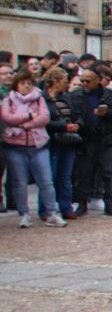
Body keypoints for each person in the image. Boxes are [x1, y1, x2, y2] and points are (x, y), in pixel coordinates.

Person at [2, 68, 66, 227]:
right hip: (15, 146)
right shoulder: (8, 100)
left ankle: (51, 212)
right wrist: (30, 116)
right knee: (19, 182)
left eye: (29, 83)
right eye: (23, 83)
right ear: (16, 85)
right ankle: (24, 214)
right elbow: (8, 118)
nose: (26, 86)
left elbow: (44, 118)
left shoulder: (39, 99)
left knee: (46, 180)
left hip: (38, 144)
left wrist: (26, 124)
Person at [73, 65, 112, 216]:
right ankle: (82, 203)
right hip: (86, 139)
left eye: (88, 81)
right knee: (84, 173)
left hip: (106, 138)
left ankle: (110, 203)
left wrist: (107, 113)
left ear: (98, 80)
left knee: (108, 172)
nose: (85, 84)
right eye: (83, 81)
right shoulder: (77, 95)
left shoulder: (110, 95)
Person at [42, 67, 81, 218]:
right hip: (52, 140)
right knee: (50, 176)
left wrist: (78, 124)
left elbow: (77, 114)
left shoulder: (67, 97)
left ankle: (66, 207)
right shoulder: (43, 99)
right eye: (64, 81)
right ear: (54, 81)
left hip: (68, 140)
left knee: (65, 175)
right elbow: (45, 120)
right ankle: (46, 209)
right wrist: (63, 126)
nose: (66, 84)